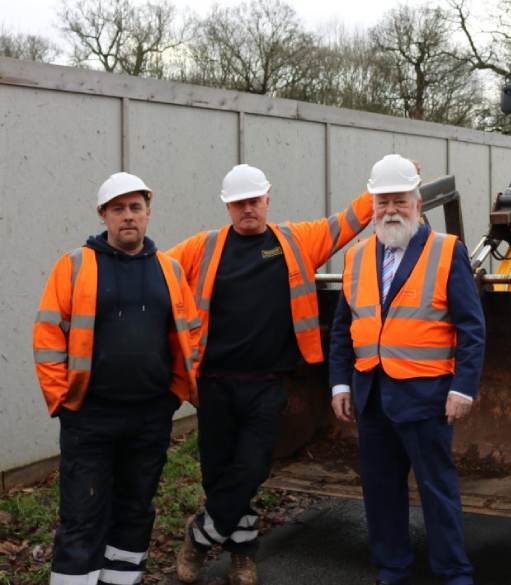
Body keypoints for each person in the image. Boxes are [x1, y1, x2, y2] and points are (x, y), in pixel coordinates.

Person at [169, 163, 373, 585]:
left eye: (254, 200)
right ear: (227, 205)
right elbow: (157, 274)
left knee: (253, 467)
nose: (248, 209)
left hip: (268, 383)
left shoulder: (295, 241)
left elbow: (348, 221)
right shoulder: (202, 248)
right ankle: (243, 553)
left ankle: (199, 536)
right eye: (239, 203)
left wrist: (388, 185)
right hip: (213, 383)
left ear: (268, 199)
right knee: (219, 473)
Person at [32, 172, 200, 585]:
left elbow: (190, 333)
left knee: (135, 509)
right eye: (118, 209)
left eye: (135, 208)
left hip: (149, 417)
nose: (128, 216)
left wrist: (175, 391)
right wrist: (64, 400)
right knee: (82, 514)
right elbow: (48, 335)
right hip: (90, 417)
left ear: (148, 213)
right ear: (103, 215)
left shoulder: (170, 270)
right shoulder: (75, 266)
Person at [329, 154, 486, 585]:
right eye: (382, 202)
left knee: (437, 492)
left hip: (426, 399)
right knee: (380, 494)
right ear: (372, 206)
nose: (390, 210)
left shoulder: (445, 250)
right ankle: (392, 570)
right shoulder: (356, 257)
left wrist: (463, 388)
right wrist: (340, 383)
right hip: (372, 397)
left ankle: (453, 573)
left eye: (399, 200)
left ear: (418, 202)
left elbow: (472, 326)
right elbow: (344, 329)